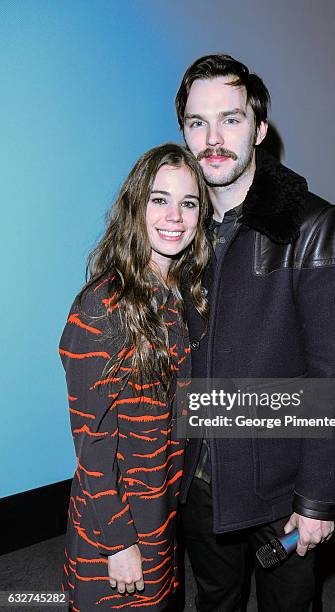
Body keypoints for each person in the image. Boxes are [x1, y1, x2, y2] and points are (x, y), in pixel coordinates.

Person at [175, 54, 335, 611]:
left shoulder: (313, 226)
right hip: (197, 479)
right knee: (216, 600)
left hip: (283, 488)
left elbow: (334, 375)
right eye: (196, 122)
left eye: (230, 119)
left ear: (259, 128)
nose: (212, 137)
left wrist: (319, 498)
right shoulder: (176, 229)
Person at [59, 143, 210, 610]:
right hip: (116, 527)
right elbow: (92, 443)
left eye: (189, 203)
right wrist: (119, 544)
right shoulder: (102, 307)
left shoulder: (182, 296)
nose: (175, 216)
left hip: (161, 513)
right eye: (159, 199)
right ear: (135, 206)